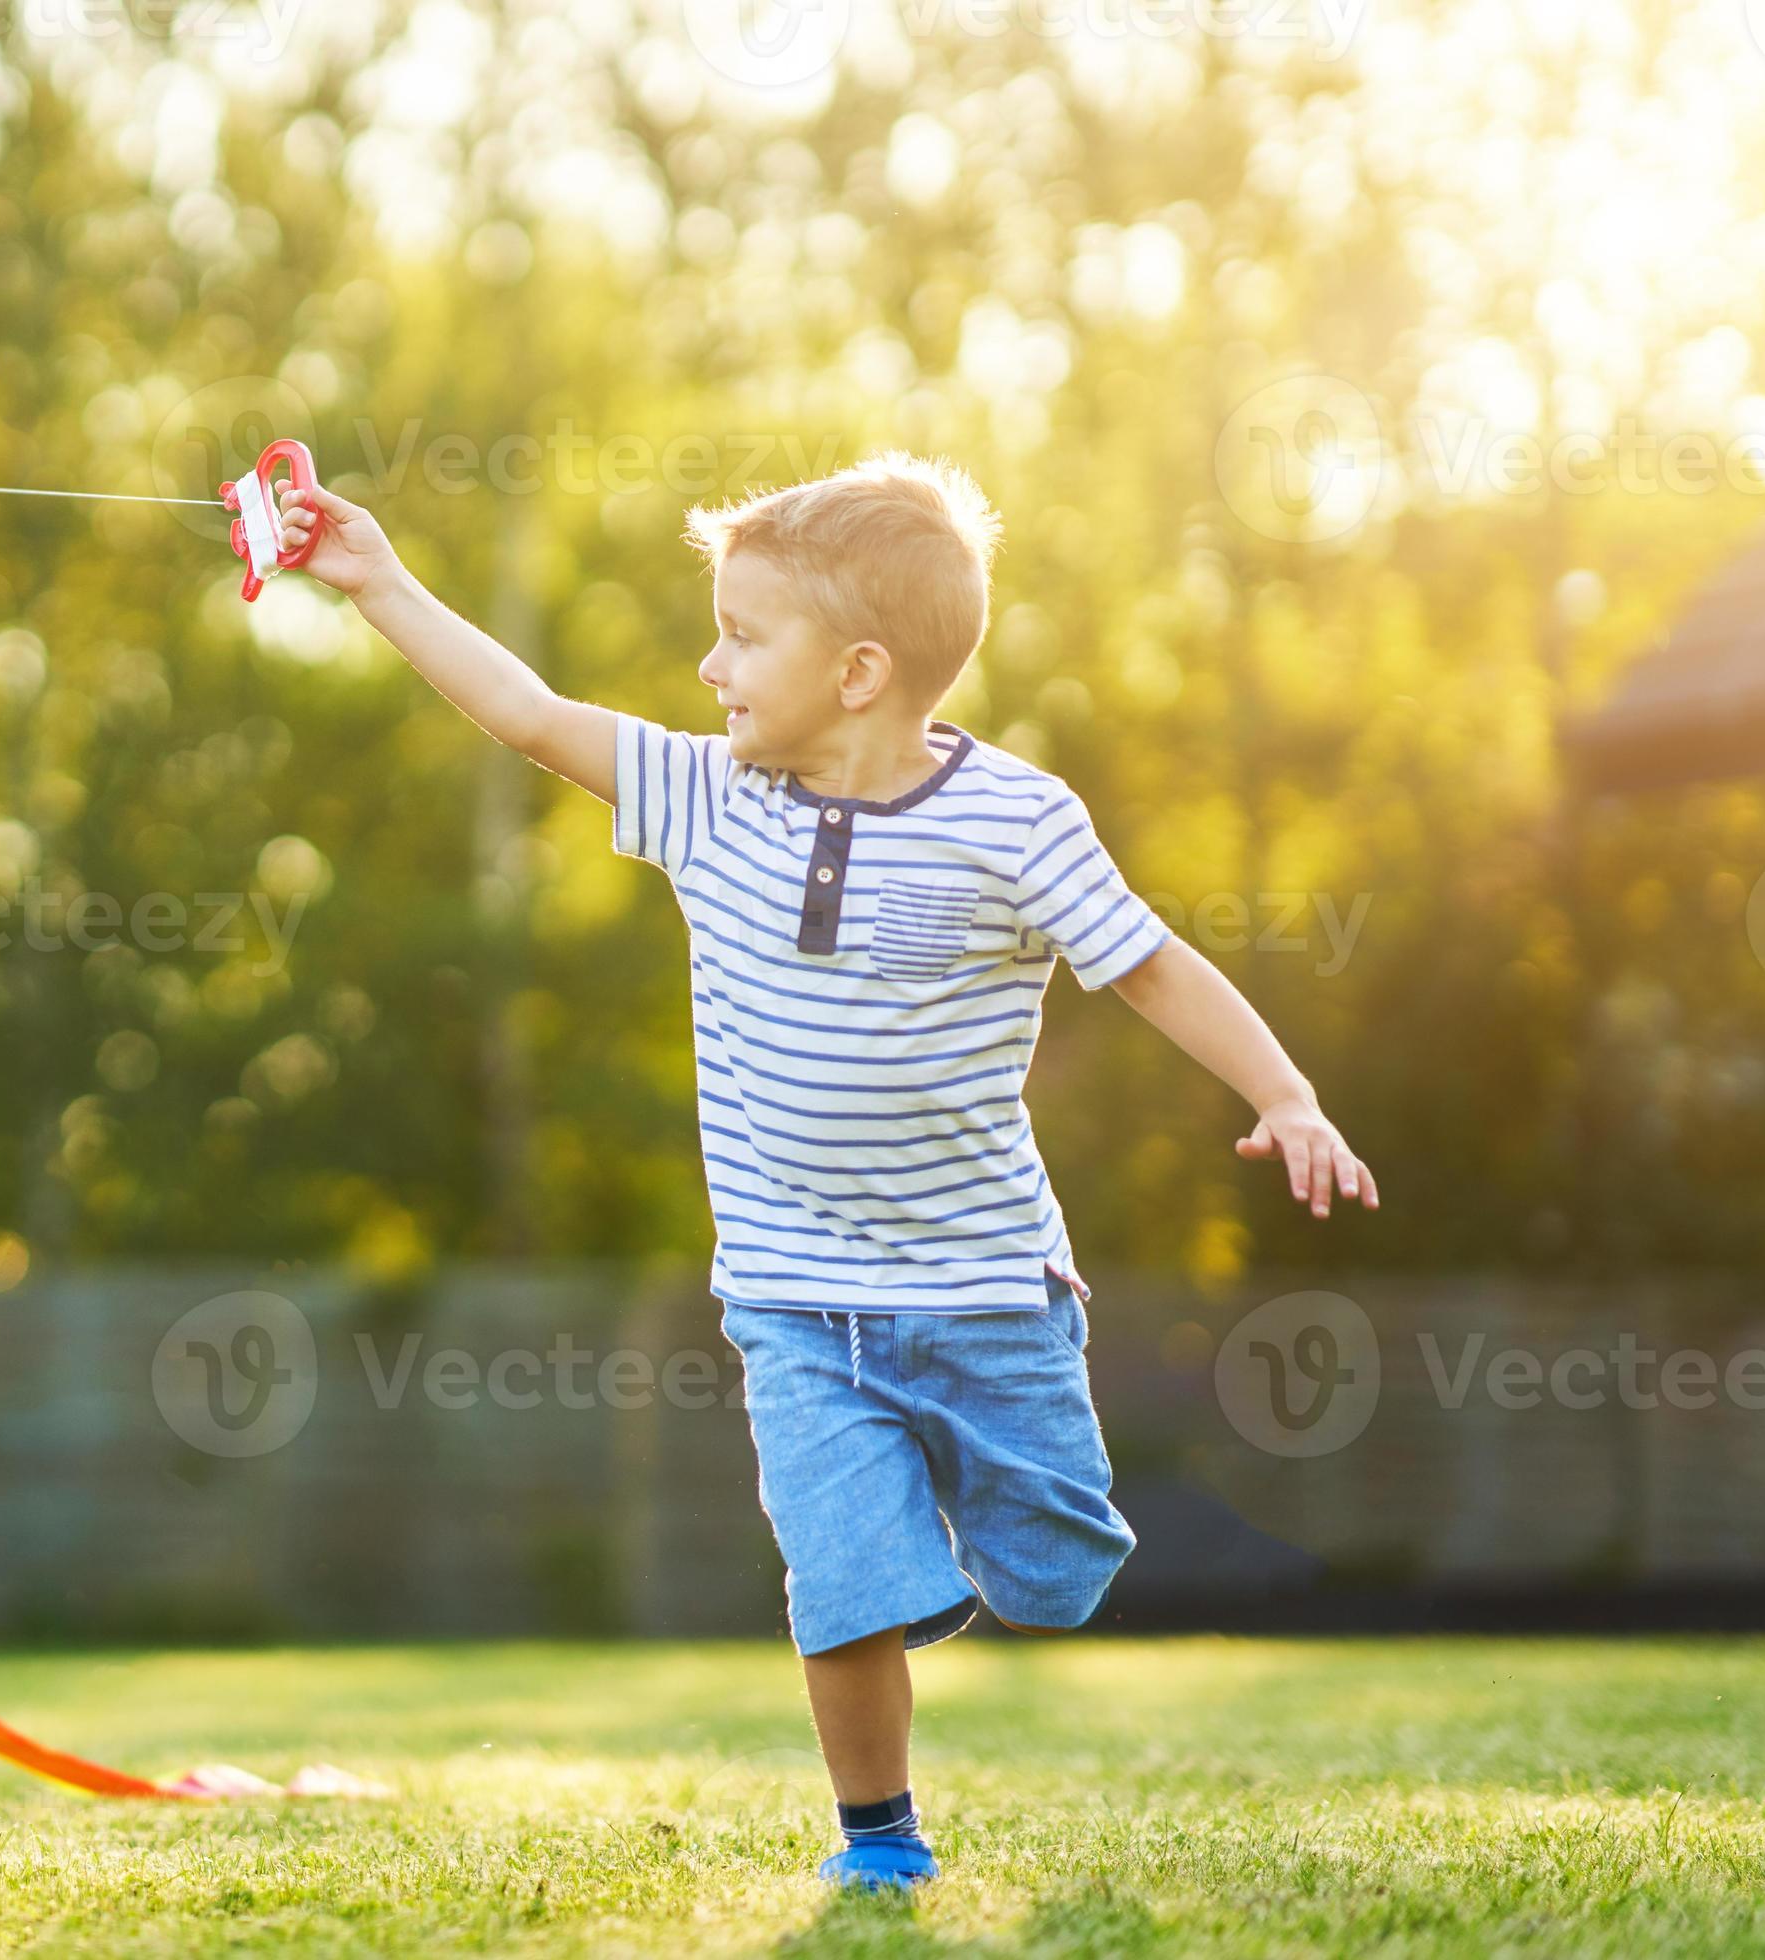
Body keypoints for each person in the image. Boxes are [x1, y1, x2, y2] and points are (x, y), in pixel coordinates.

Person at [278, 455, 1378, 1894]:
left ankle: (977, 1544)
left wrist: (1286, 1094)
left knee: (1052, 1578)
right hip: (798, 1301)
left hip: (988, 1286)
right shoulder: (705, 797)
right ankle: (880, 1839)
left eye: (742, 636)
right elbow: (533, 715)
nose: (707, 664)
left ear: (859, 671)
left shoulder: (1019, 821)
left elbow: (1151, 967)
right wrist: (377, 580)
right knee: (841, 1584)